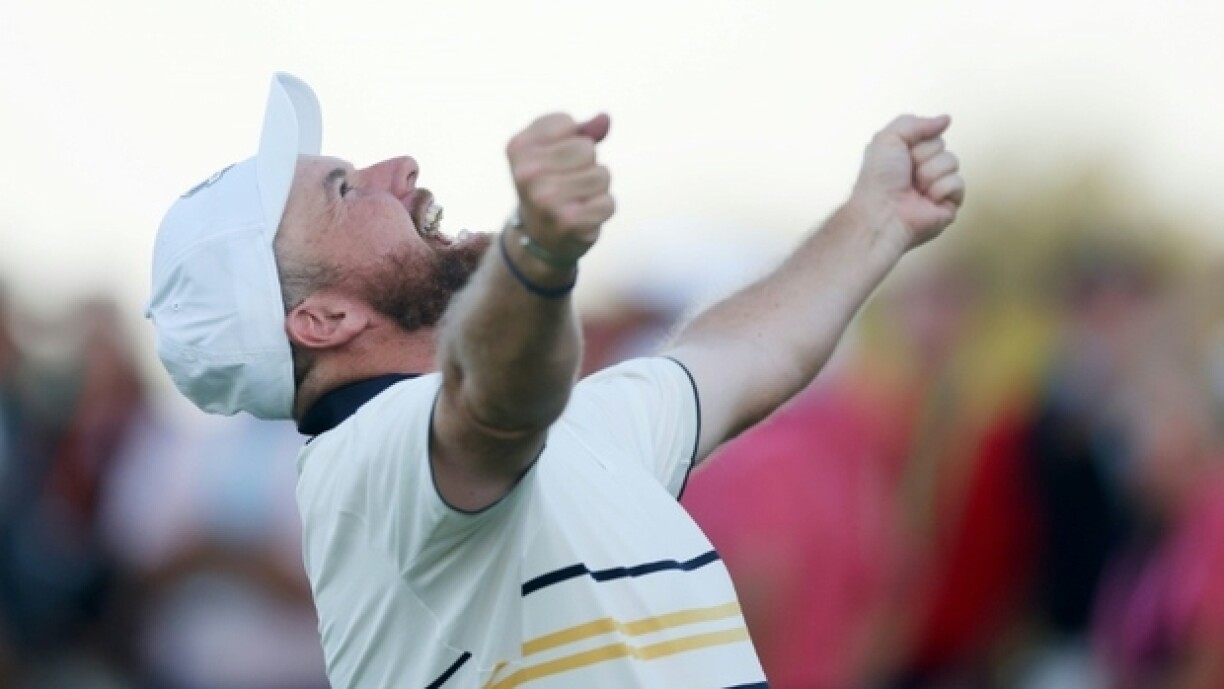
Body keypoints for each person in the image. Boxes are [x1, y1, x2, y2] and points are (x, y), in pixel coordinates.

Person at [147, 73, 965, 688]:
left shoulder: (568, 434)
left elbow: (746, 355)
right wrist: (536, 257)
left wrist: (876, 220)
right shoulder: (362, 465)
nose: (398, 168)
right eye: (345, 188)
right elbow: (492, 405)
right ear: (322, 321)